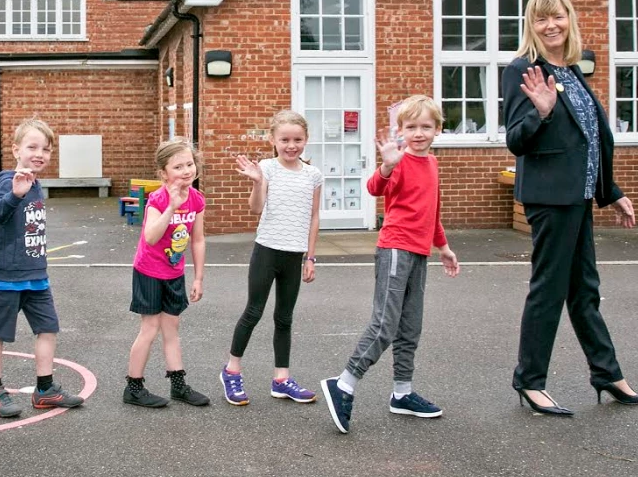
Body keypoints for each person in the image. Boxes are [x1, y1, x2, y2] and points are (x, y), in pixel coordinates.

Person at [501, 0, 638, 415]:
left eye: (558, 17)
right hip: (550, 198)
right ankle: (530, 382)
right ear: (531, 26)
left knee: (584, 291)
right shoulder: (522, 70)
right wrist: (541, 112)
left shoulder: (572, 71)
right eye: (541, 19)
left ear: (569, 19)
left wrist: (612, 192)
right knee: (549, 290)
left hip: (580, 196)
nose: (551, 25)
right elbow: (516, 140)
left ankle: (608, 375)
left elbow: (590, 140)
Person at [321, 95, 460, 434]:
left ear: (438, 130)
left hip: (419, 253)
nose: (418, 133)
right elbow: (373, 188)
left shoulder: (433, 165)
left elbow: (433, 212)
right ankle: (344, 383)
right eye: (411, 127)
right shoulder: (398, 161)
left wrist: (443, 247)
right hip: (396, 248)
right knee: (385, 323)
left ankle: (402, 393)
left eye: (426, 126)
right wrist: (386, 165)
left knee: (410, 326)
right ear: (400, 130)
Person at [0, 118, 84, 417]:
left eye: (46, 149)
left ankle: (45, 390)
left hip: (37, 276)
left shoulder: (36, 183)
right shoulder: (7, 180)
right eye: (32, 147)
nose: (40, 153)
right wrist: (15, 194)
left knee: (48, 329)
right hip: (8, 277)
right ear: (16, 150)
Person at [221, 110, 323, 406]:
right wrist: (255, 181)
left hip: (294, 255)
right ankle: (231, 371)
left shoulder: (313, 175)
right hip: (267, 250)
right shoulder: (266, 168)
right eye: (285, 139)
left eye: (298, 139)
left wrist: (310, 257)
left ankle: (281, 379)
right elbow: (255, 209)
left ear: (306, 140)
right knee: (253, 312)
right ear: (273, 140)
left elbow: (314, 217)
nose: (291, 145)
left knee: (284, 318)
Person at [123, 139, 210, 408]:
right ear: (164, 173)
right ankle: (134, 387)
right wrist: (171, 206)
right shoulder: (158, 199)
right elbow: (150, 236)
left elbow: (197, 240)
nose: (186, 170)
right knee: (149, 328)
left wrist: (197, 277)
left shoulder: (196, 199)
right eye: (178, 166)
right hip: (149, 271)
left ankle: (178, 385)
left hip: (174, 272)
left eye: (189, 164)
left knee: (172, 329)